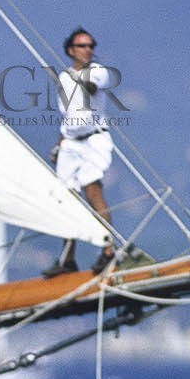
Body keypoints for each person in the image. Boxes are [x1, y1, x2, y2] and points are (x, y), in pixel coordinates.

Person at [43, 28, 116, 277]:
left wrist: (80, 81)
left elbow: (91, 90)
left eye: (91, 45)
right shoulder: (64, 77)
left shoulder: (98, 72)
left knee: (92, 191)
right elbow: (69, 115)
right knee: (67, 198)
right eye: (82, 46)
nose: (88, 50)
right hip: (71, 142)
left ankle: (108, 250)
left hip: (94, 140)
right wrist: (60, 143)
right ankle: (67, 259)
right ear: (71, 50)